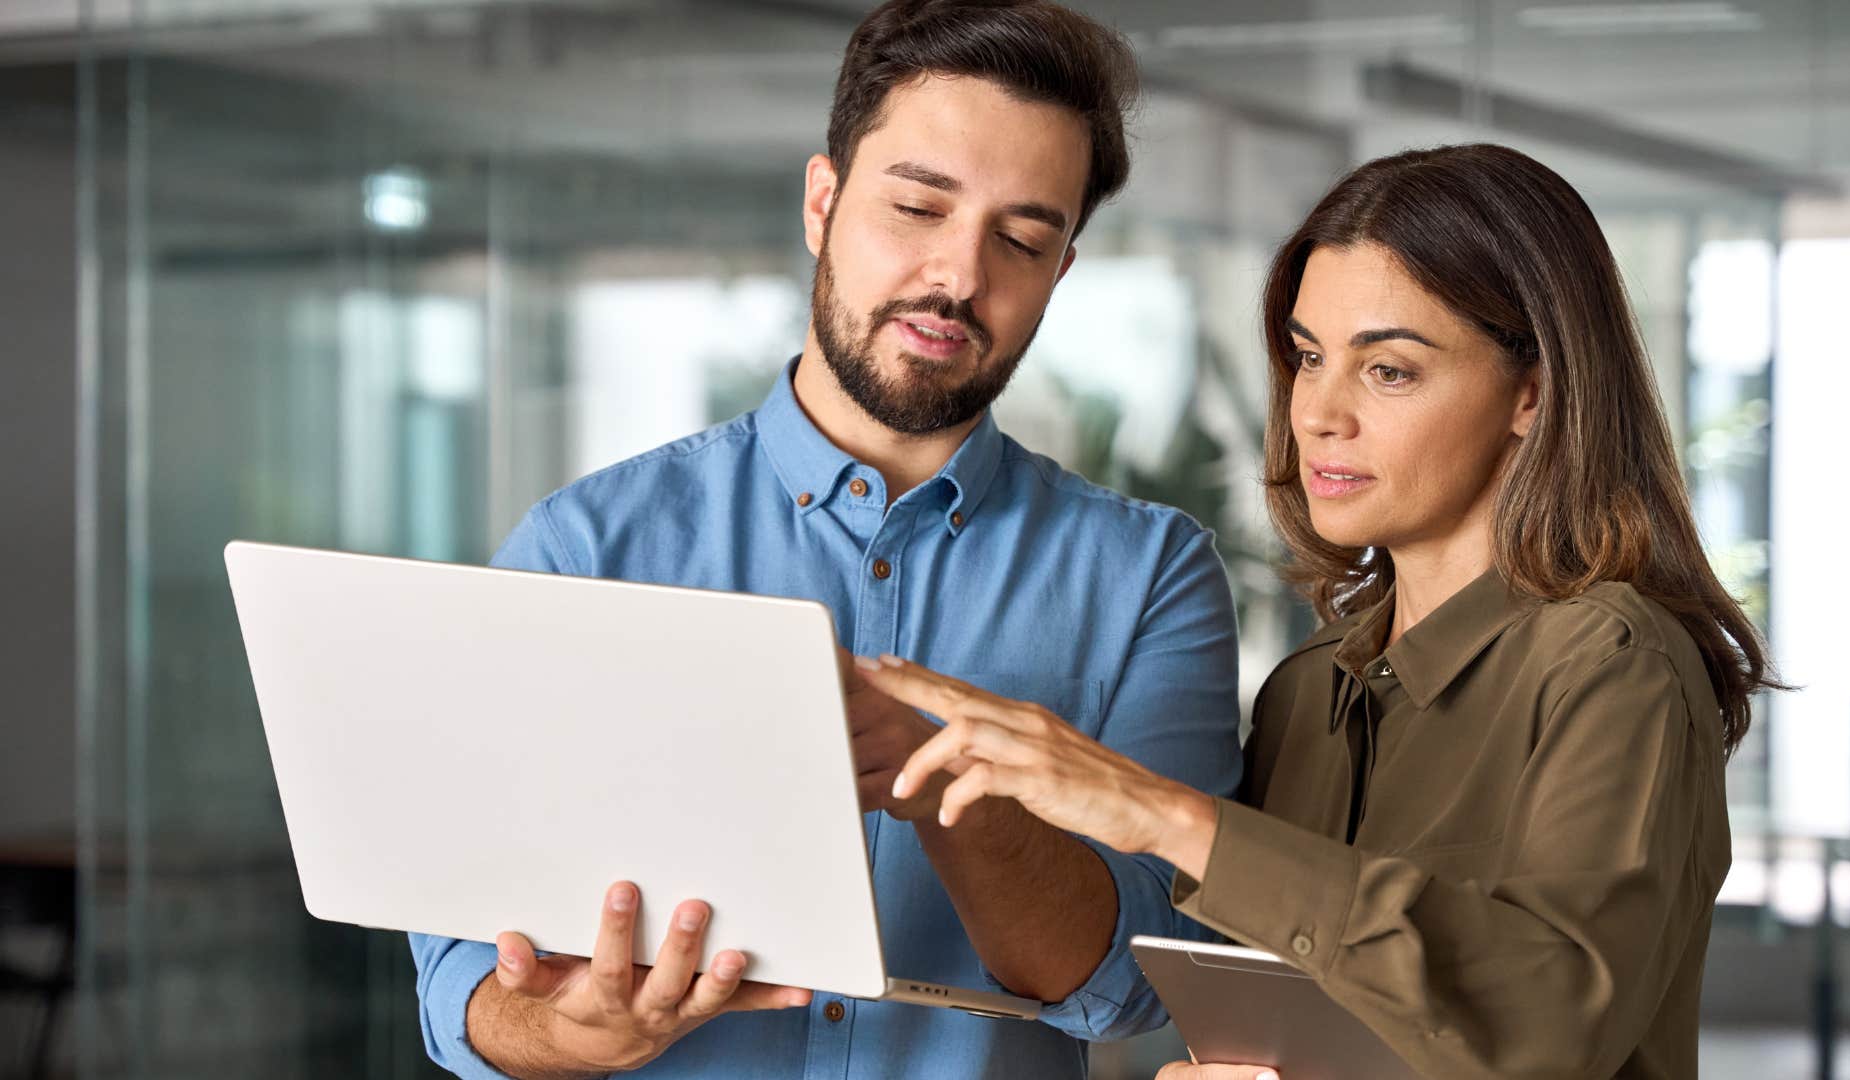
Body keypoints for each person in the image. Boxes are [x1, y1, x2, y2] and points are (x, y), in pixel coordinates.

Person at [407, 2, 1244, 1078]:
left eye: (1022, 239)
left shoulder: (1148, 577)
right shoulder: (584, 549)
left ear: (1061, 271)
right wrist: (563, 1034)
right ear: (823, 201)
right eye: (916, 206)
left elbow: (1138, 983)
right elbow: (457, 984)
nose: (958, 275)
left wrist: (939, 777)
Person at [867, 143, 1779, 1079]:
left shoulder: (1612, 661)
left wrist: (1166, 817)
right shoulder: (1307, 694)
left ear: (1532, 394)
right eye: (1308, 358)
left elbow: (1552, 1018)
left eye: (1388, 370)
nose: (1318, 414)